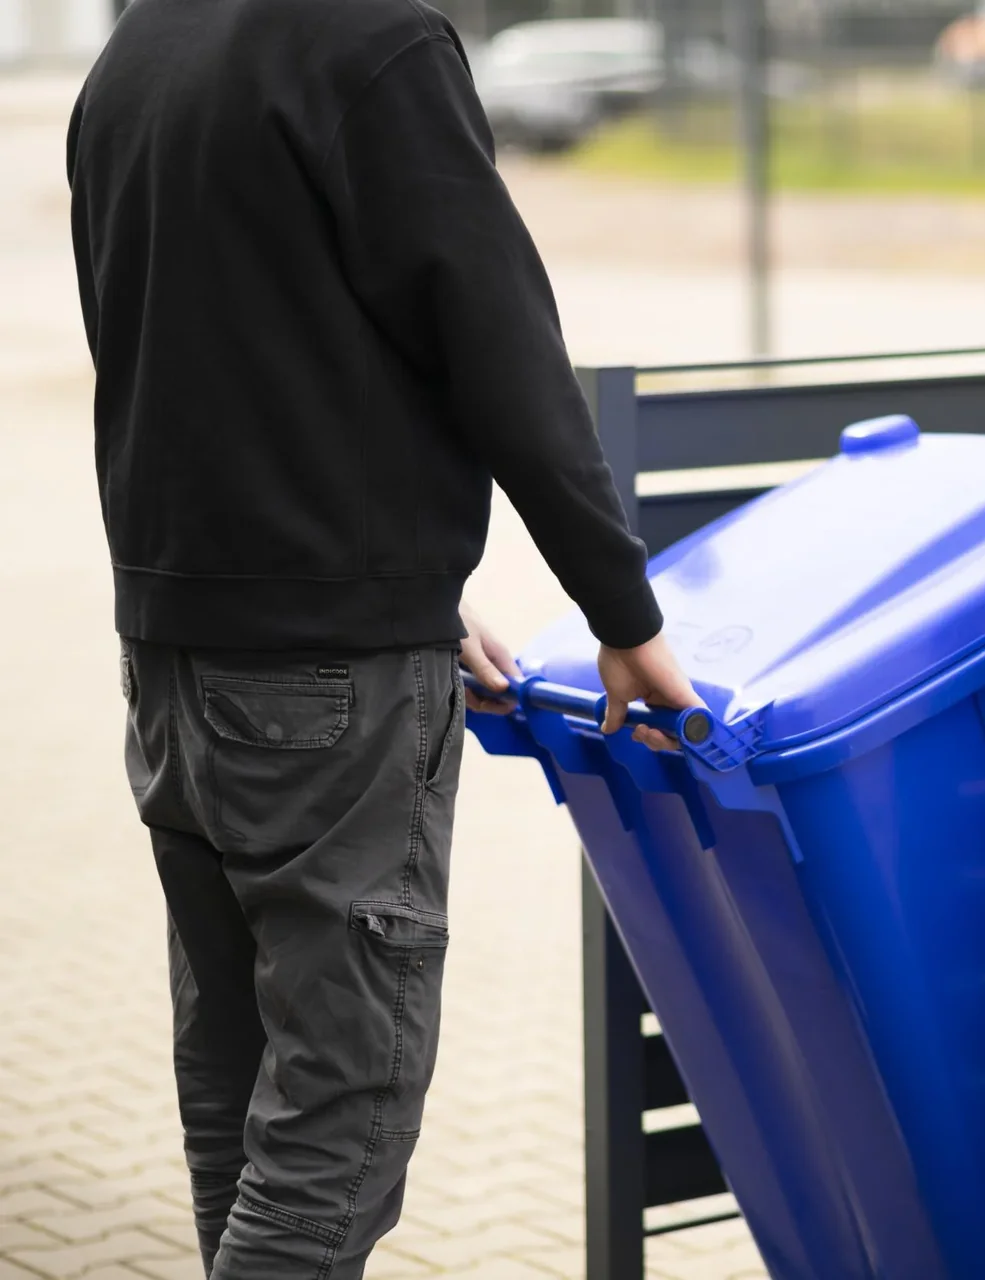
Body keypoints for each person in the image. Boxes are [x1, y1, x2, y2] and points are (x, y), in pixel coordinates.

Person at [65, 0, 700, 1274]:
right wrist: (623, 616)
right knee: (340, 1118)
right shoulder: (377, 40)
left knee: (241, 1104)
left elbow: (174, 345)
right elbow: (499, 343)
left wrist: (395, 564)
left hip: (177, 652)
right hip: (323, 682)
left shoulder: (142, 43)